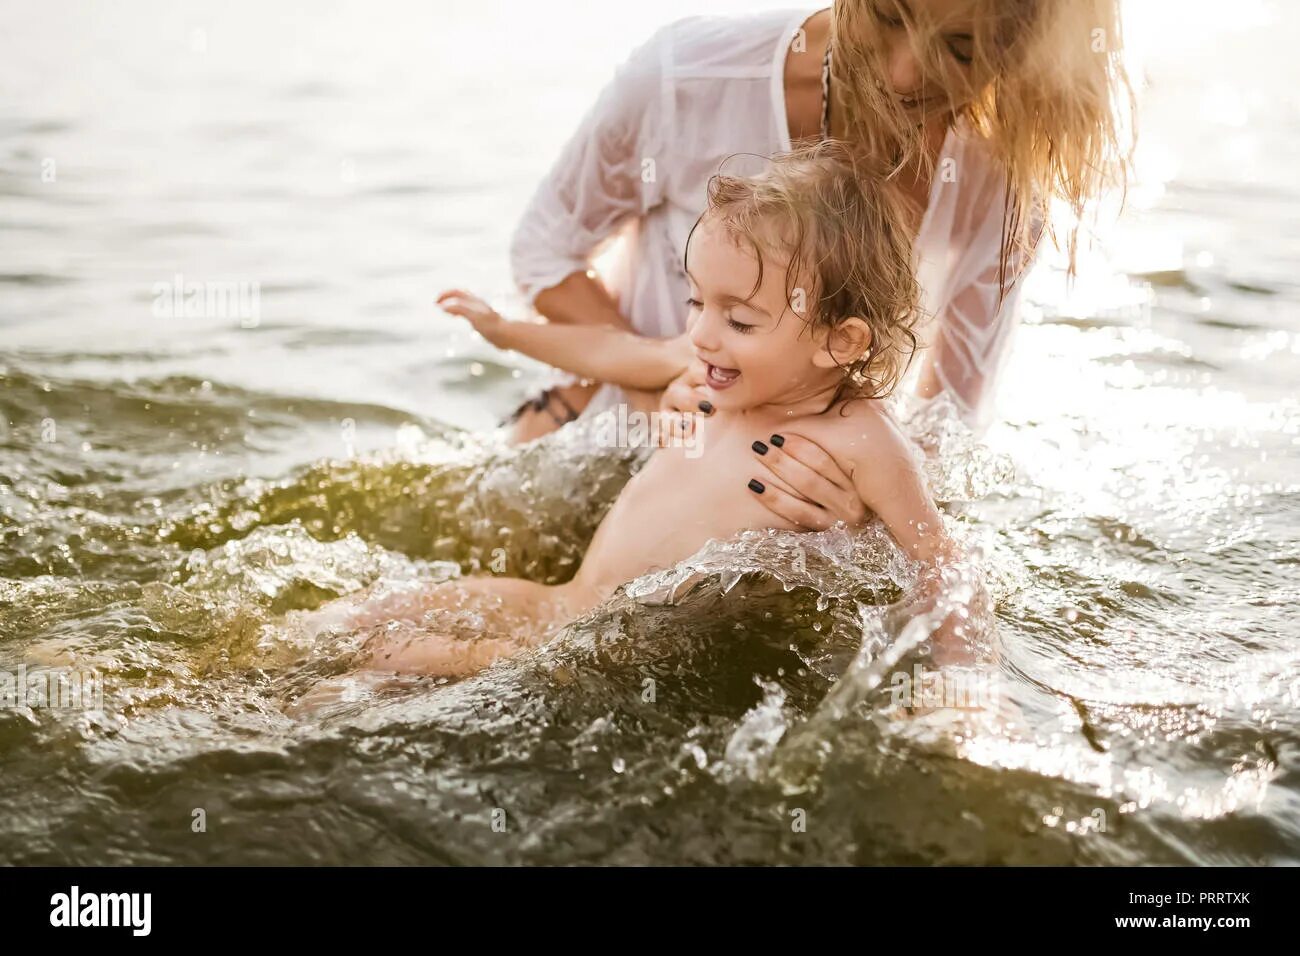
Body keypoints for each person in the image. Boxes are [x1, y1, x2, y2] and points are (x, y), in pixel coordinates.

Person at [291, 143, 960, 679]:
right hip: (557, 604)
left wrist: (966, 689)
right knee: (344, 621)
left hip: (597, 656)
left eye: (741, 319)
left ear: (839, 341)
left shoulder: (859, 438)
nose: (701, 333)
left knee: (375, 666)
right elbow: (611, 353)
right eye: (697, 301)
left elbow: (942, 562)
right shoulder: (716, 370)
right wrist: (506, 331)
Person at [505, 0, 1133, 530]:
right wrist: (660, 375)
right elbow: (544, 251)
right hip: (590, 459)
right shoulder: (689, 75)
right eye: (888, 14)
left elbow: (952, 424)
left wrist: (864, 505)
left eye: (963, 51)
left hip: (771, 517)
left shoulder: (999, 180)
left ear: (1027, 50)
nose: (904, 72)